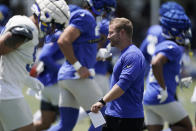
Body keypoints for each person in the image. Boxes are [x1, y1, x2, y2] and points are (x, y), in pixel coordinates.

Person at [0, 0, 70, 130]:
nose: (54, 30)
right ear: (46, 16)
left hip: (6, 90)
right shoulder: (28, 28)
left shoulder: (21, 21)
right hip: (7, 93)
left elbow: (9, 60)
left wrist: (26, 79)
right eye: (55, 25)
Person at [47, 0, 106, 131]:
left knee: (65, 125)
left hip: (68, 77)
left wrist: (97, 54)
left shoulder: (89, 20)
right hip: (77, 78)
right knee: (101, 121)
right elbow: (63, 41)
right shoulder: (85, 16)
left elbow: (81, 48)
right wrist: (78, 66)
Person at [91, 17, 146, 131]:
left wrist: (102, 101)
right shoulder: (125, 53)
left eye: (111, 33)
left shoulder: (133, 55)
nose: (108, 36)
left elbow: (122, 85)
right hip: (114, 116)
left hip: (127, 119)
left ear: (122, 33)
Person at [143, 9, 192, 131]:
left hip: (149, 95)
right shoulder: (172, 46)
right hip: (160, 95)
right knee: (186, 127)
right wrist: (163, 87)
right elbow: (155, 63)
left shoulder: (162, 45)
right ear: (176, 30)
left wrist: (177, 81)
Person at [31, 29, 64, 131]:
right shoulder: (61, 34)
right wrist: (63, 71)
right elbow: (44, 56)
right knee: (67, 123)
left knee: (45, 123)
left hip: (49, 85)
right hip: (59, 85)